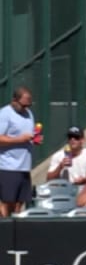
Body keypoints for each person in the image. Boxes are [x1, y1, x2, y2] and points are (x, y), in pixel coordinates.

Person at [0, 87, 36, 217]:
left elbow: (28, 135)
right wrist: (19, 140)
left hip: (24, 166)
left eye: (29, 105)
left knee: (19, 204)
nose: (26, 108)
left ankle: (16, 232)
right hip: (8, 166)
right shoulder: (5, 114)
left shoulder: (29, 114)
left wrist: (34, 139)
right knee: (7, 202)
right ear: (14, 100)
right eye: (23, 105)